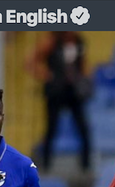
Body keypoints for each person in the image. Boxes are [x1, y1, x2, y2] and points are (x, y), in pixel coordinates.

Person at [27, 31, 91, 172]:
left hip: (74, 92)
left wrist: (83, 79)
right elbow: (30, 62)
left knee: (83, 128)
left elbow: (83, 65)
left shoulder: (79, 42)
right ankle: (46, 164)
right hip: (56, 92)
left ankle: (85, 165)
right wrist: (46, 75)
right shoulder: (51, 43)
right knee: (51, 129)